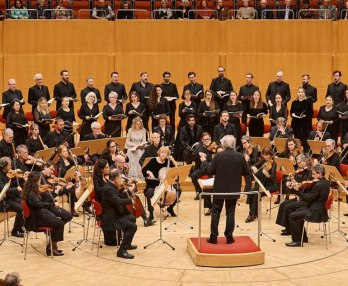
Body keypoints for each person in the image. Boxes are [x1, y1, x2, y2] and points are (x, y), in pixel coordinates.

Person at [200, 135, 249, 244]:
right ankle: (229, 237)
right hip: (233, 189)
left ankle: (213, 237)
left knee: (216, 212)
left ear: (224, 145)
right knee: (230, 212)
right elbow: (246, 172)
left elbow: (209, 171)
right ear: (234, 144)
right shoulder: (240, 156)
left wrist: (204, 162)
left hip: (219, 189)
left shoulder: (218, 156)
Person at [286, 164, 330, 247]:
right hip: (321, 210)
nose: (312, 176)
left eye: (313, 174)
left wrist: (297, 190)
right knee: (297, 211)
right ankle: (303, 237)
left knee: (292, 216)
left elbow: (307, 199)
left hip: (315, 212)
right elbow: (313, 197)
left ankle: (297, 241)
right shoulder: (327, 182)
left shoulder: (318, 185)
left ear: (319, 174)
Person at [22, 172, 65, 256]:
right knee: (59, 223)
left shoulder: (30, 190)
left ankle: (51, 247)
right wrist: (53, 204)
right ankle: (52, 248)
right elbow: (38, 204)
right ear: (35, 181)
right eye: (39, 180)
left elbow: (38, 203)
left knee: (56, 220)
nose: (40, 182)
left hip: (36, 216)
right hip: (35, 220)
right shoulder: (31, 193)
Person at [101, 168, 137, 259]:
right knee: (133, 227)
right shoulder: (108, 189)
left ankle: (127, 244)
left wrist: (128, 191)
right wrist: (130, 201)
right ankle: (121, 251)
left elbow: (117, 197)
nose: (121, 180)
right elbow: (118, 201)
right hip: (110, 218)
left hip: (115, 214)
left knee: (132, 218)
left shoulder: (111, 186)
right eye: (120, 178)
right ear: (116, 178)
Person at [276, 154, 312, 235]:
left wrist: (293, 183)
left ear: (305, 162)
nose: (298, 165)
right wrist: (292, 180)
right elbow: (299, 184)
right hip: (301, 196)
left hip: (305, 198)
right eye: (298, 163)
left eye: (299, 163)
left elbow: (303, 186)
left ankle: (290, 229)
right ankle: (287, 227)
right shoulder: (302, 171)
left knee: (287, 206)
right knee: (283, 204)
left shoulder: (309, 173)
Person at [142, 146, 178, 219]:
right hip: (153, 184)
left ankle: (170, 208)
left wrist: (173, 160)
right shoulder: (153, 161)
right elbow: (144, 170)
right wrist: (149, 172)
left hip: (166, 184)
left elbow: (176, 170)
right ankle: (151, 212)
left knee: (178, 190)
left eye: (165, 153)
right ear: (159, 153)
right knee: (149, 192)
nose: (163, 154)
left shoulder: (168, 161)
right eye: (162, 152)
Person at [246, 147, 277, 222]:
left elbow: (272, 177)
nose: (265, 157)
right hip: (262, 184)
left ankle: (251, 214)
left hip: (271, 186)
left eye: (267, 155)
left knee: (257, 194)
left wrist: (267, 175)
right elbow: (252, 167)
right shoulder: (262, 161)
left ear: (270, 155)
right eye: (264, 155)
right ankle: (254, 213)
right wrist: (253, 167)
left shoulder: (273, 163)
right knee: (250, 193)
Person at [0, 157, 24, 238]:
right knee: (21, 209)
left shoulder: (8, 174)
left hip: (10, 198)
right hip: (3, 201)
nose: (11, 167)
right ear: (4, 166)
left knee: (25, 204)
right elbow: (4, 189)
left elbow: (12, 184)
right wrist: (16, 189)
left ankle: (20, 227)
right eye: (9, 165)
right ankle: (15, 231)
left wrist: (20, 179)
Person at [190, 132, 213, 212]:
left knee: (208, 183)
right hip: (200, 167)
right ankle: (199, 192)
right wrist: (198, 153)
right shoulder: (198, 146)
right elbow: (191, 156)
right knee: (193, 176)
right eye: (205, 139)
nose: (207, 141)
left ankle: (210, 203)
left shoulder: (213, 146)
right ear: (201, 140)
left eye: (208, 139)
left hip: (210, 168)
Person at [290, 87, 313, 153]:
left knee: (305, 141)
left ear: (304, 94)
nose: (300, 93)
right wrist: (293, 115)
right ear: (297, 93)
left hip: (305, 124)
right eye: (299, 92)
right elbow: (291, 112)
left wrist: (305, 116)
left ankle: (306, 154)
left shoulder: (308, 102)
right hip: (296, 123)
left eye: (302, 92)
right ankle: (297, 154)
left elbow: (311, 113)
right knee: (297, 141)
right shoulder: (294, 102)